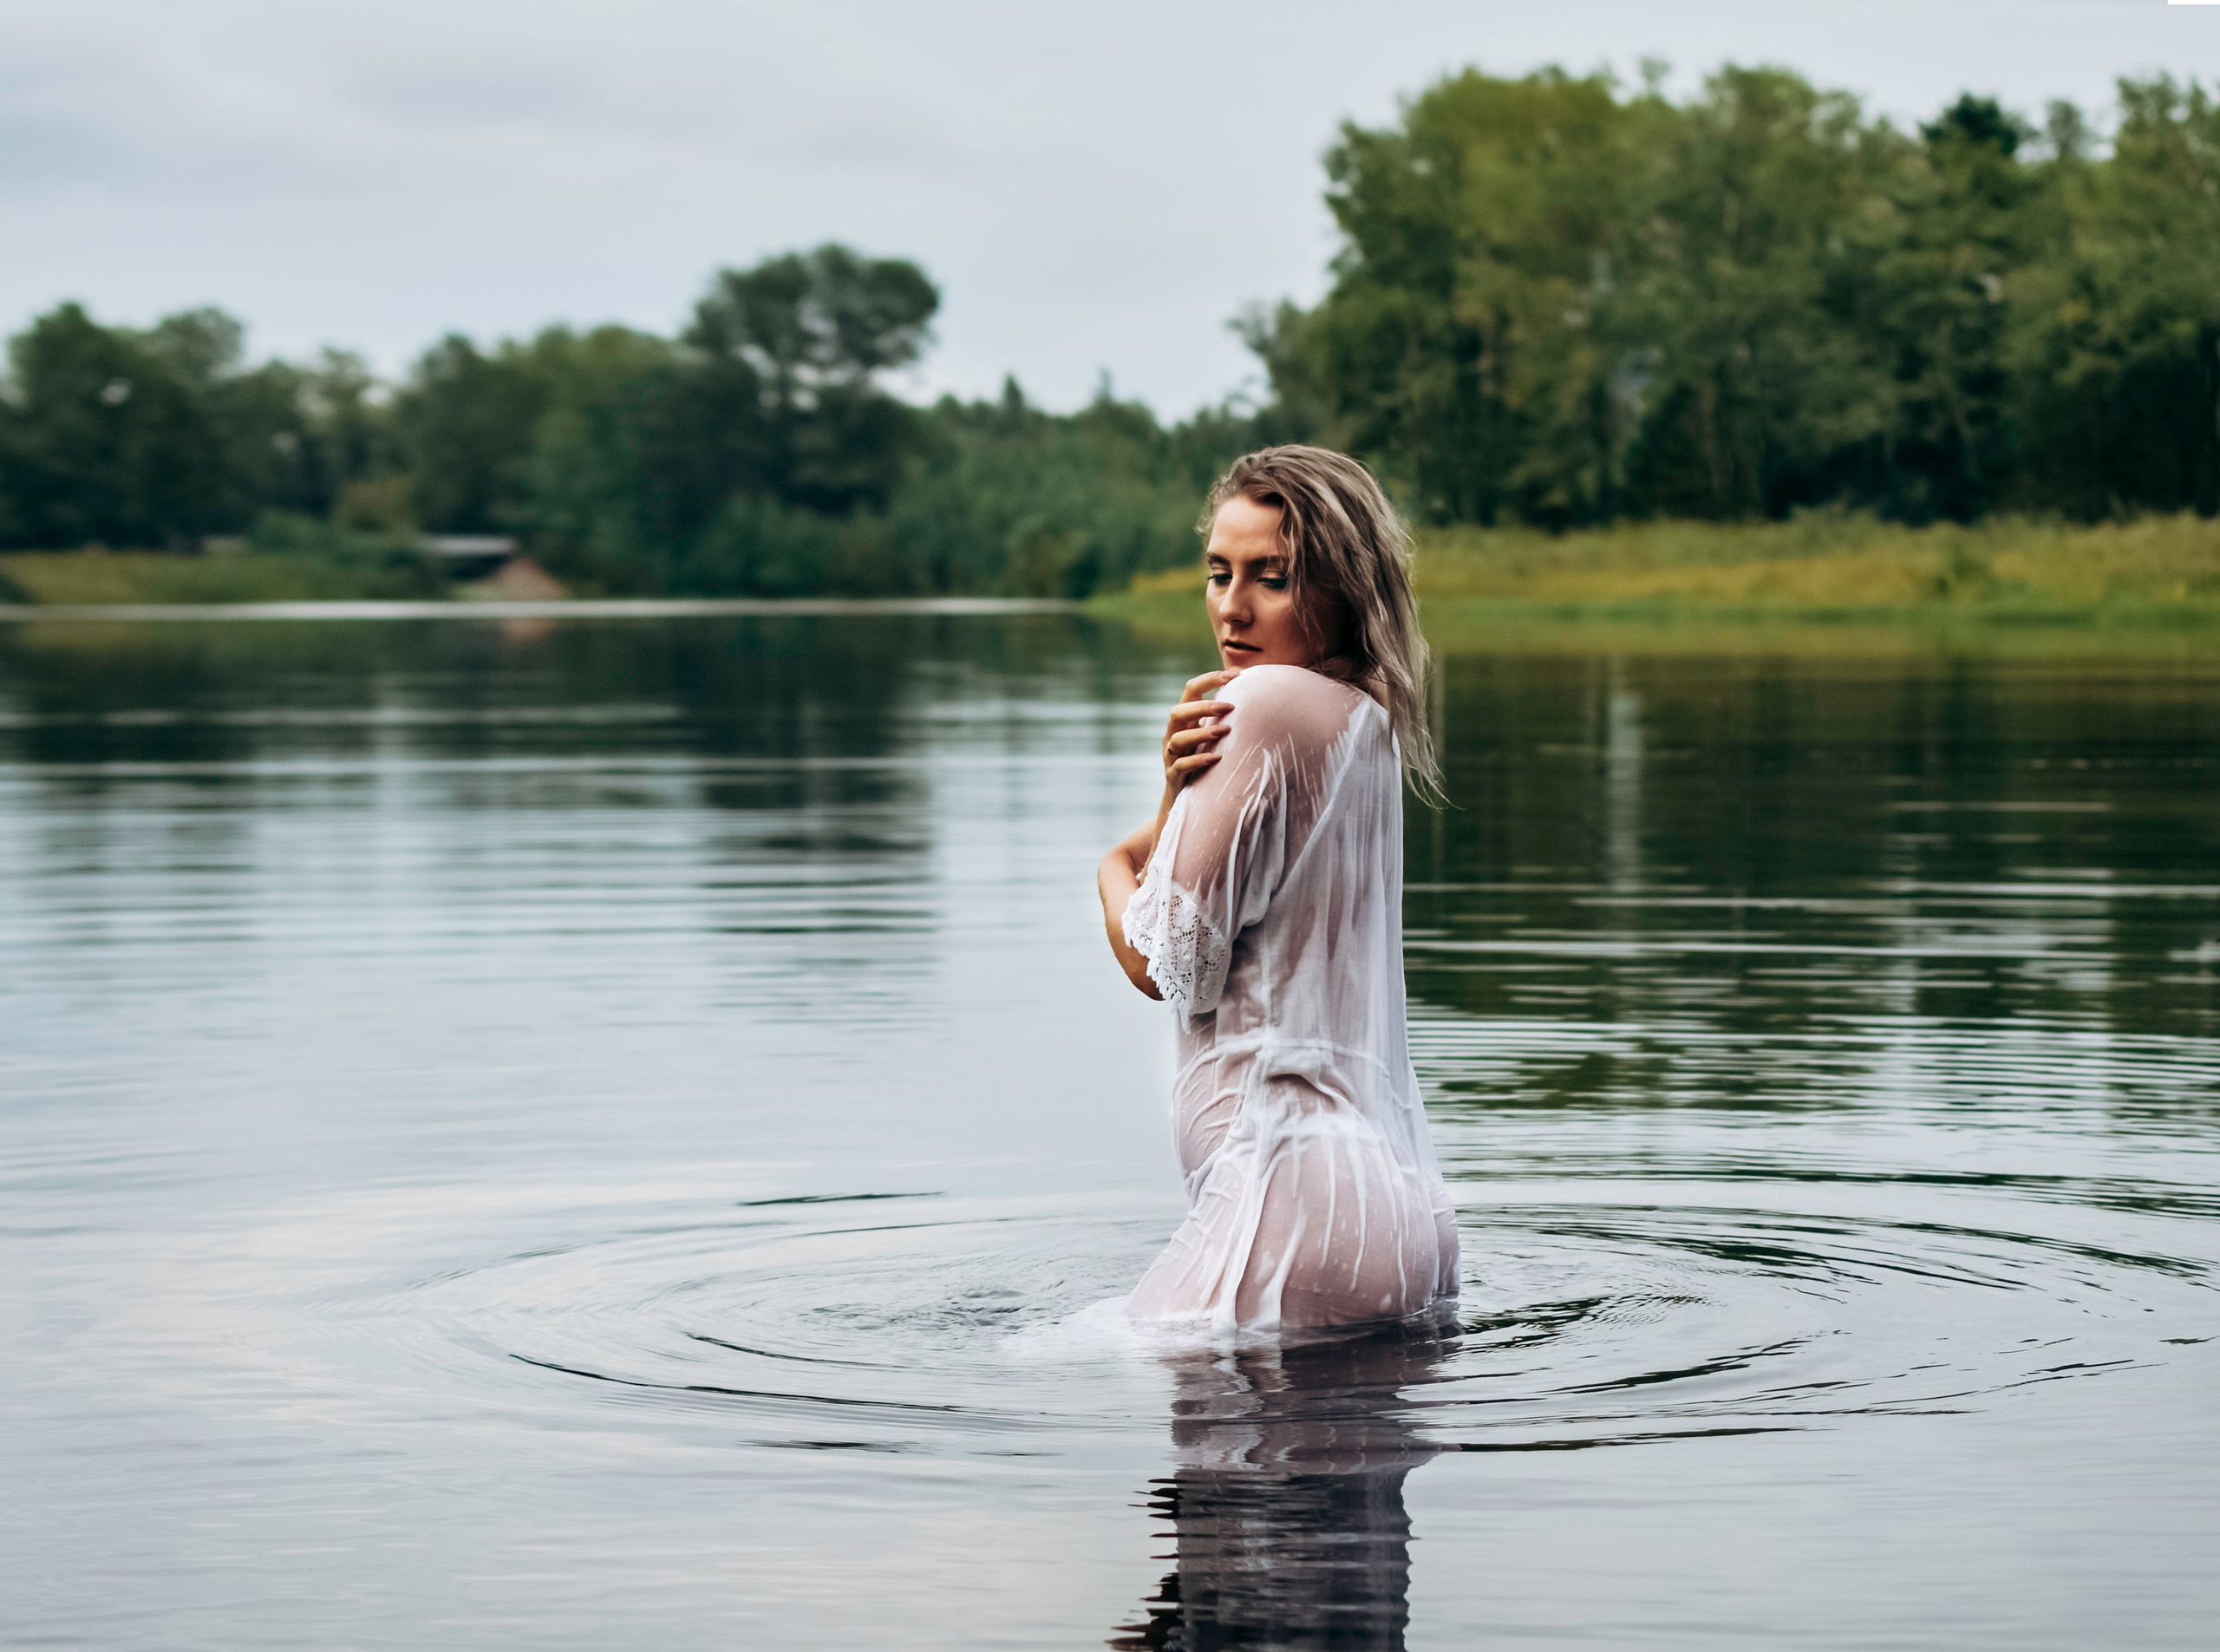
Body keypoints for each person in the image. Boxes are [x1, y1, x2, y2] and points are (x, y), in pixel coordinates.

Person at [1096, 445, 1459, 1335]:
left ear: (1339, 586)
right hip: (1400, 1211)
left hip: (1290, 1203)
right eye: (1218, 573)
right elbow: (1188, 854)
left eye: (1273, 577)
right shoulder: (1365, 717)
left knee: (1040, 1376)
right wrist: (1172, 794)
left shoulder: (1258, 704)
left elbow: (1162, 962)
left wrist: (1105, 866)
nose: (1231, 605)